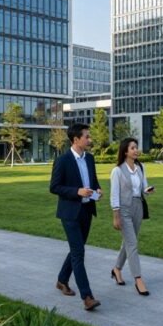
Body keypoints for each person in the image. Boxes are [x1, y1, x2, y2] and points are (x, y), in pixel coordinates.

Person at [49, 123, 103, 311]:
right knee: (79, 253)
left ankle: (62, 280)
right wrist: (77, 191)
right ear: (76, 139)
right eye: (87, 137)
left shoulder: (90, 158)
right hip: (70, 213)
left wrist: (98, 190)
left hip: (87, 211)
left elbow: (93, 181)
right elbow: (54, 187)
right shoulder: (63, 160)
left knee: (76, 250)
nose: (90, 139)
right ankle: (87, 296)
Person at [109, 137, 153, 296]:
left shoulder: (140, 167)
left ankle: (117, 269)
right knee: (132, 243)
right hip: (124, 210)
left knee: (128, 242)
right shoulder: (117, 171)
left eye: (136, 147)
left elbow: (143, 187)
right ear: (125, 151)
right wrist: (116, 215)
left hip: (138, 208)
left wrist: (147, 190)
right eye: (133, 148)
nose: (136, 150)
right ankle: (138, 279)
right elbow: (114, 195)